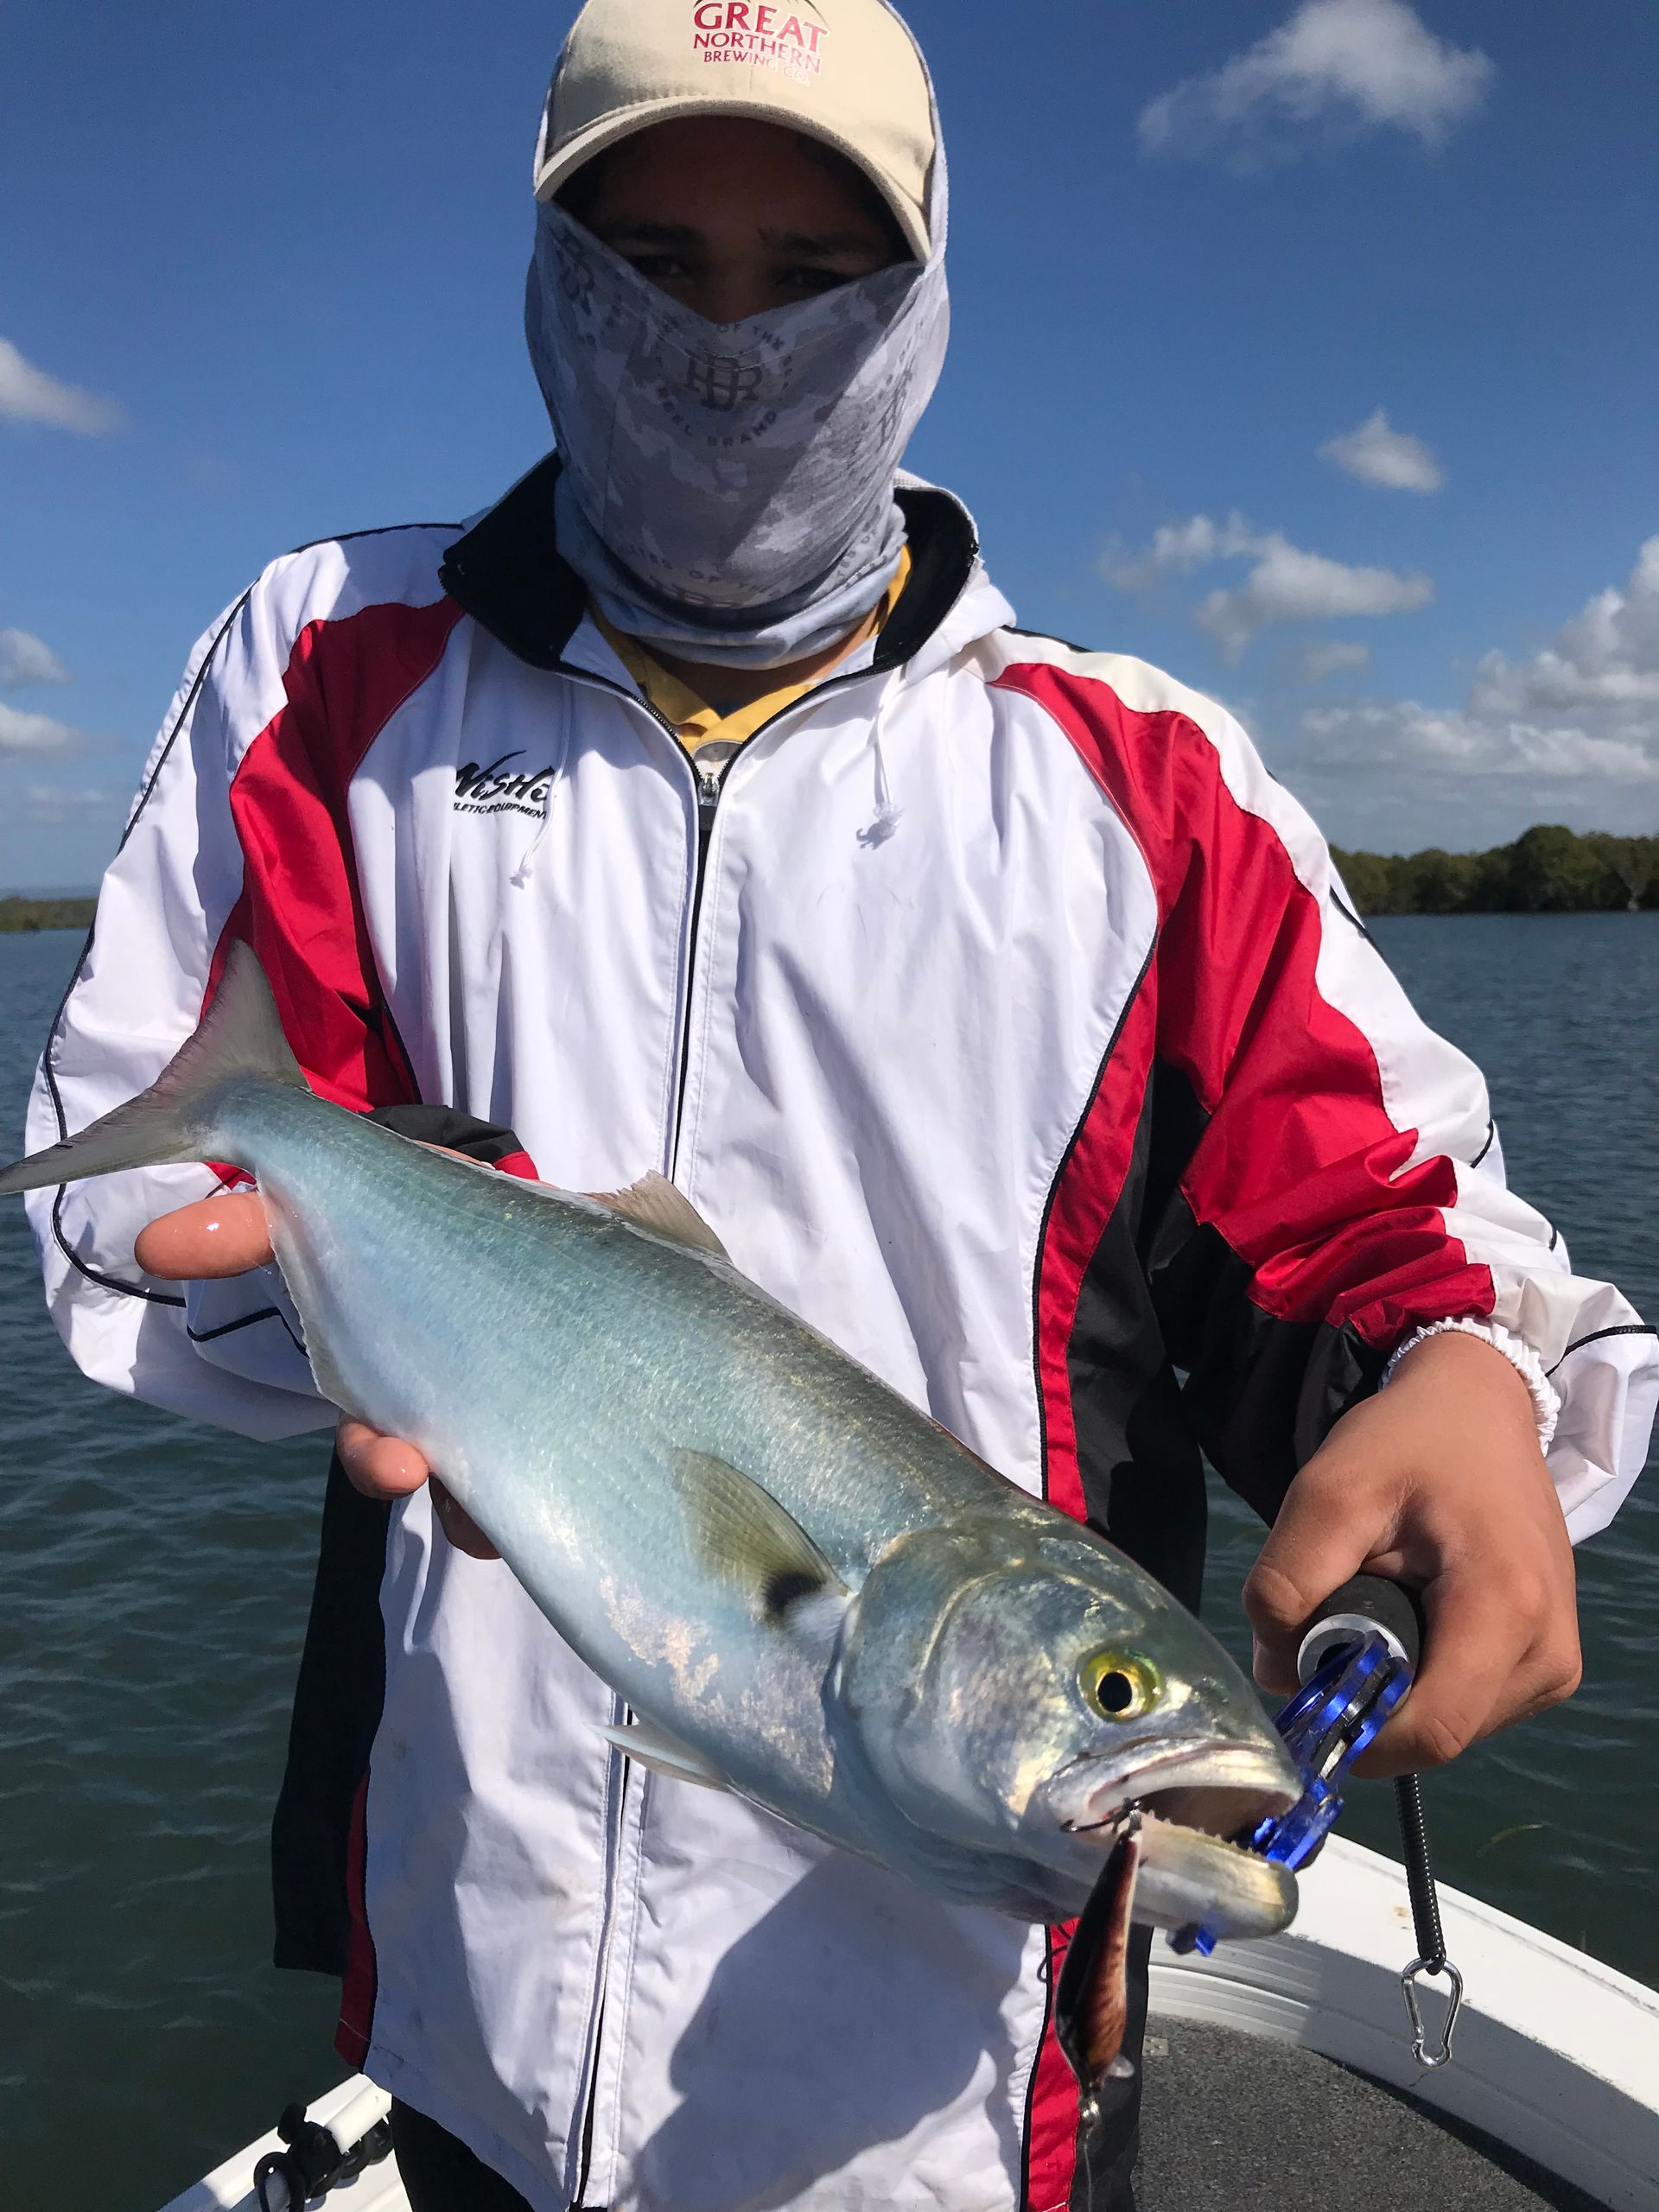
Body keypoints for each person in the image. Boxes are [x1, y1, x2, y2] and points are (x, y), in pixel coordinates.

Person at [25, 3, 1655, 2208]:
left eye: (809, 273)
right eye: (653, 259)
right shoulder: (330, 662)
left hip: (950, 2112)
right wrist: (368, 1294)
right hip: (470, 2008)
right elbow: (140, 1184)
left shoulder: (1140, 789)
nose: (726, 342)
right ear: (539, 270)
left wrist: (1462, 1370)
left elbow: (1385, 1239)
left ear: (929, 291)